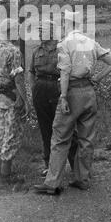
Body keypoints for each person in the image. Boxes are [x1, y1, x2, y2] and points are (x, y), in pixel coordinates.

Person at [34, 9, 111, 195]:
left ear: (67, 24)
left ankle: (52, 182)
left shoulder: (65, 44)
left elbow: (64, 72)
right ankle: (82, 179)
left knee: (60, 136)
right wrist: (97, 78)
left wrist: (63, 97)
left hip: (72, 92)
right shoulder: (90, 42)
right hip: (89, 92)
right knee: (86, 138)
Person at [29, 19, 78, 177]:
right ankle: (50, 165)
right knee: (45, 129)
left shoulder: (62, 48)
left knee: (66, 127)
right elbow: (31, 72)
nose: (40, 33)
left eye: (42, 30)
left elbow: (68, 72)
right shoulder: (36, 51)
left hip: (58, 89)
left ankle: (76, 164)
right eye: (39, 30)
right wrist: (33, 89)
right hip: (40, 90)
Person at [0, 18, 32, 184]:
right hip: (12, 98)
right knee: (12, 135)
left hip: (0, 96)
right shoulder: (14, 52)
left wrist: (2, 86)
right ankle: (6, 176)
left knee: (1, 134)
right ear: (11, 32)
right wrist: (25, 100)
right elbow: (19, 79)